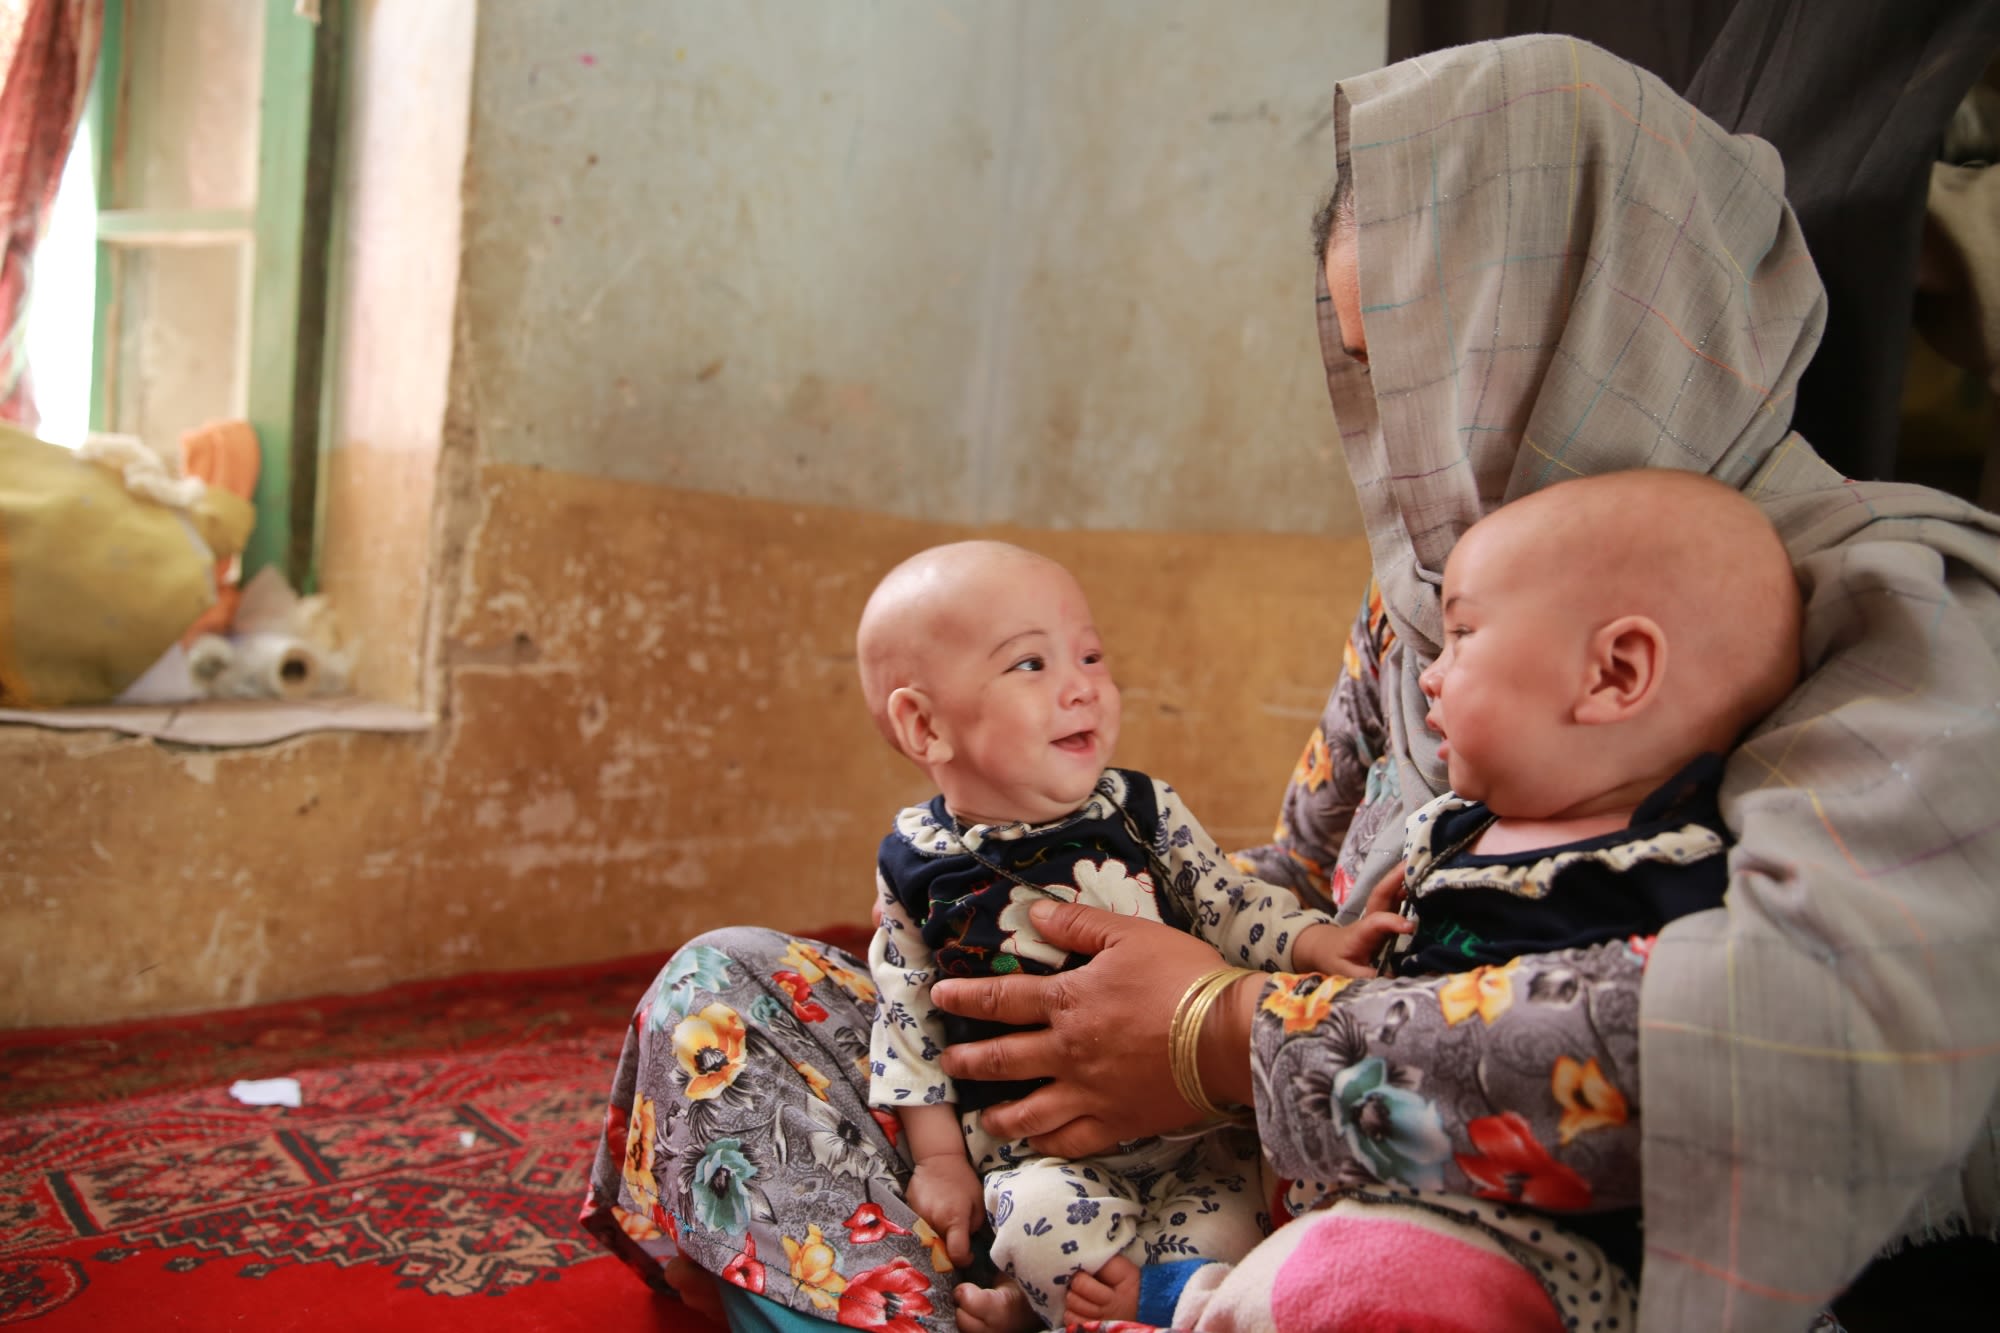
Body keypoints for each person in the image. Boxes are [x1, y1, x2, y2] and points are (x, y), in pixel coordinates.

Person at [582, 35, 2000, 1333]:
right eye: (1374, 381)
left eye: (1438, 373)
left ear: (1602, 310)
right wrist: (1092, 986)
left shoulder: (1879, 612)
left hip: (1487, 1247)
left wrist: (1228, 1038)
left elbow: (1789, 1041)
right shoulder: (1428, 618)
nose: (1402, 449)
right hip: (1224, 1172)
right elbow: (1295, 879)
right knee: (735, 999)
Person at [1137, 468, 1804, 1328]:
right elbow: (1299, 872)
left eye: (1462, 637)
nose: (1429, 675)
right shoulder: (1451, 827)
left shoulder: (1678, 873)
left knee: (1370, 1283)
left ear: (1614, 671)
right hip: (1343, 1188)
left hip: (1530, 1250)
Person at [854, 540, 1404, 1330]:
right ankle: (1050, 1302)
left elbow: (1230, 901)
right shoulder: (915, 863)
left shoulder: (1141, 810)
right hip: (1039, 1152)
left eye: (1089, 654)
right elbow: (905, 1016)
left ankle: (1119, 1305)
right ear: (924, 724)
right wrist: (940, 1160)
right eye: (1030, 665)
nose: (1082, 685)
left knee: (1231, 1228)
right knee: (1044, 1229)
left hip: (1196, 1133)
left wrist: (1317, 946)